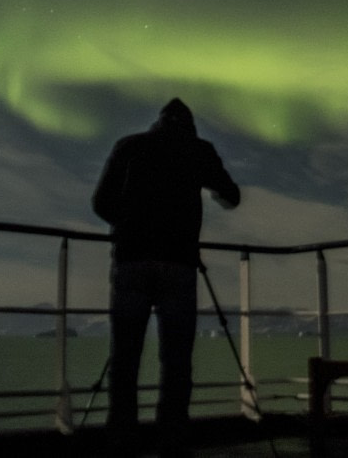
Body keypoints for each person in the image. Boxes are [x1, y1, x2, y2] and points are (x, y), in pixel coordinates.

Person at [92, 98, 240, 457]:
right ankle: (172, 439)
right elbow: (231, 196)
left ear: (157, 122)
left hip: (132, 260)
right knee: (176, 362)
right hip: (179, 265)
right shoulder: (199, 150)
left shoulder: (129, 145)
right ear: (190, 126)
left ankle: (122, 439)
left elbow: (101, 203)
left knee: (125, 358)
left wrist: (129, 225)